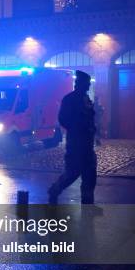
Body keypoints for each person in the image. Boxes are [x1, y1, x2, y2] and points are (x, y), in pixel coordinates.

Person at [48, 70, 97, 204]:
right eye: (87, 84)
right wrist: (77, 128)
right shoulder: (69, 99)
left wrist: (93, 130)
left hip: (87, 143)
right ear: (79, 84)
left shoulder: (86, 99)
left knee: (90, 174)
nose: (88, 86)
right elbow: (62, 118)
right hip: (76, 143)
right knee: (72, 173)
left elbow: (90, 118)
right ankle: (55, 190)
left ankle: (88, 203)